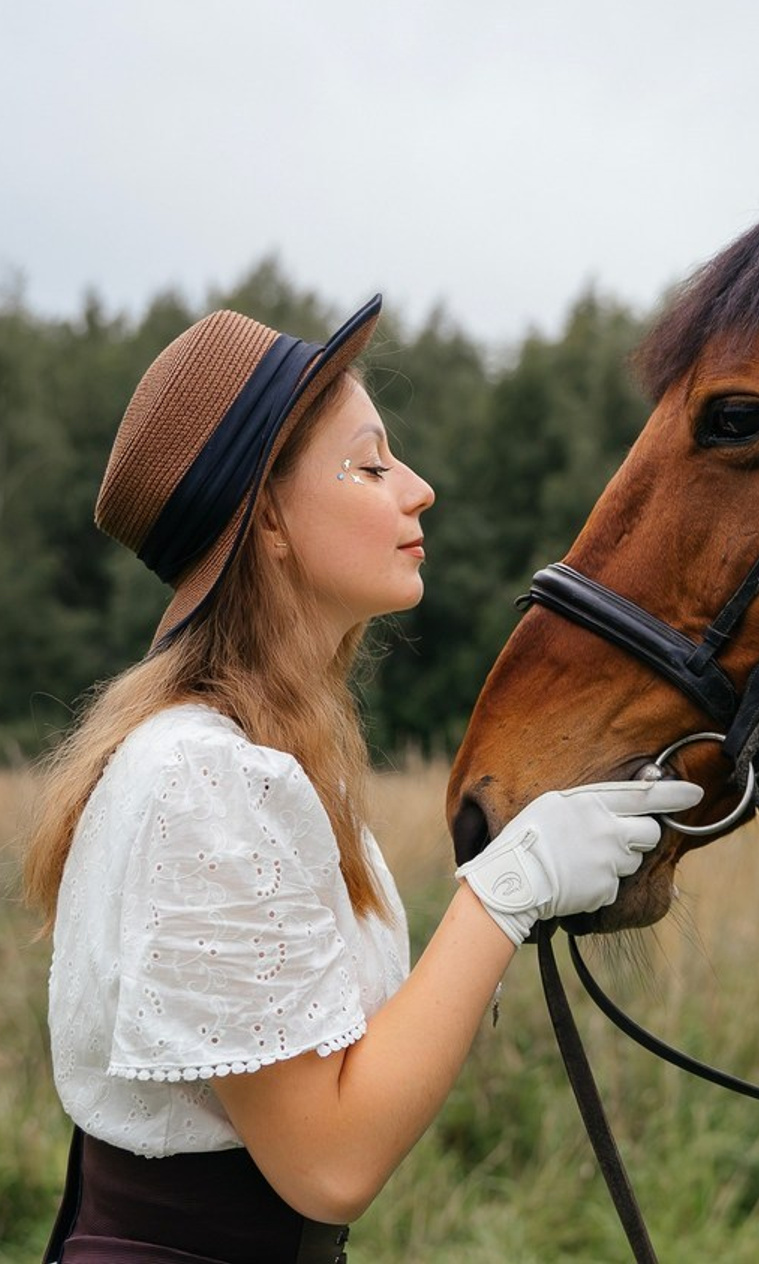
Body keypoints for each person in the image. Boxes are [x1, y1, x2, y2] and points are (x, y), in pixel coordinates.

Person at [23, 294, 701, 1263]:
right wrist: (509, 888)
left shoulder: (256, 761)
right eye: (370, 463)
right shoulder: (206, 782)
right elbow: (329, 1162)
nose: (416, 488)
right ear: (266, 521)